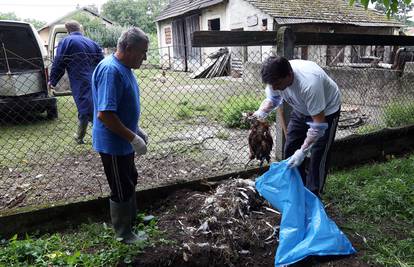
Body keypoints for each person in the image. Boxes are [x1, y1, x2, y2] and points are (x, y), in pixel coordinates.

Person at [91, 27, 149, 244]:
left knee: (130, 179)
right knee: (121, 186)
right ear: (129, 48)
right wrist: (133, 138)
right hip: (114, 143)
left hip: (123, 139)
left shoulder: (124, 68)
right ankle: (124, 234)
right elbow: (105, 114)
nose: (145, 57)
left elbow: (121, 107)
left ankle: (131, 221)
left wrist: (137, 129)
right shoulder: (111, 71)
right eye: (143, 52)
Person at [253, 56, 341, 197]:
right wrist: (261, 112)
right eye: (271, 85)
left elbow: (318, 125)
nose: (274, 88)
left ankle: (313, 194)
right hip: (301, 109)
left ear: (289, 75)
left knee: (318, 153)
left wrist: (303, 151)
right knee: (291, 148)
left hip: (327, 110)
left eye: (277, 84)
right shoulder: (275, 80)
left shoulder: (309, 83)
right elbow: (273, 99)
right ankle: (297, 189)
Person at [49, 20, 104, 144]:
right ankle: (80, 136)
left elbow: (59, 62)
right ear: (80, 29)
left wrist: (52, 80)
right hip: (95, 80)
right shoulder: (92, 43)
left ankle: (100, 135)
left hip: (80, 81)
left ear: (67, 30)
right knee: (92, 107)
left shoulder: (66, 41)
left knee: (85, 109)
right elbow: (101, 61)